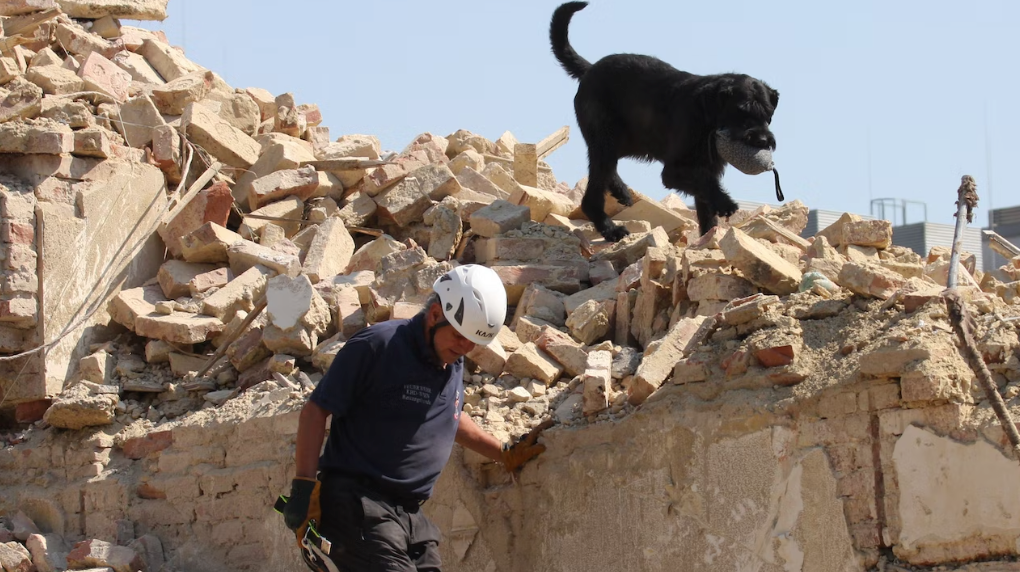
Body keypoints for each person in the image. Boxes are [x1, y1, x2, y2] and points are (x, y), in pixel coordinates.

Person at [281, 264, 553, 572]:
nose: (465, 348)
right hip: (358, 505)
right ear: (435, 314)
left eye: (473, 342)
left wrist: (503, 454)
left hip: (409, 517)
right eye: (459, 336)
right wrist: (302, 488)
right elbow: (316, 410)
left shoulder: (451, 361)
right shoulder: (378, 346)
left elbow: (448, 416)